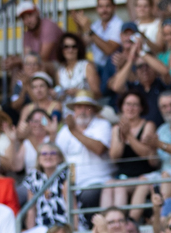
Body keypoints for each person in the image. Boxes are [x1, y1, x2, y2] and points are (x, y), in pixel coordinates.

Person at [57, 91, 114, 221]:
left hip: (98, 180)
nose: (82, 111)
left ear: (93, 110)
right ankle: (76, 227)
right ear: (73, 111)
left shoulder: (102, 125)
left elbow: (99, 149)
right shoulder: (65, 131)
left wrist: (74, 131)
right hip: (72, 183)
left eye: (86, 107)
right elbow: (58, 156)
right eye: (78, 107)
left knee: (89, 195)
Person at [108, 91, 158, 216]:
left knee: (119, 187)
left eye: (135, 105)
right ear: (122, 107)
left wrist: (129, 135)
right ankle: (106, 221)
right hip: (123, 175)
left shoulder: (148, 125)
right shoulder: (116, 129)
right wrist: (121, 135)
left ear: (141, 108)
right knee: (108, 185)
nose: (130, 108)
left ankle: (121, 222)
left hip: (143, 174)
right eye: (128, 104)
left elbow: (146, 153)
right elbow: (114, 157)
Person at [73, 0, 124, 95]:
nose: (104, 10)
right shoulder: (96, 25)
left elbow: (109, 50)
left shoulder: (119, 25)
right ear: (97, 9)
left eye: (107, 6)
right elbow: (80, 47)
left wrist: (89, 30)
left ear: (114, 7)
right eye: (101, 7)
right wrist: (79, 27)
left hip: (112, 68)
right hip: (97, 69)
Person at [56, 32, 101, 103]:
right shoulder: (60, 71)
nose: (70, 50)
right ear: (61, 49)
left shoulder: (87, 66)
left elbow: (98, 94)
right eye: (66, 47)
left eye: (74, 46)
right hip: (66, 109)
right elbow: (59, 95)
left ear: (79, 48)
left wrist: (80, 92)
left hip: (85, 106)